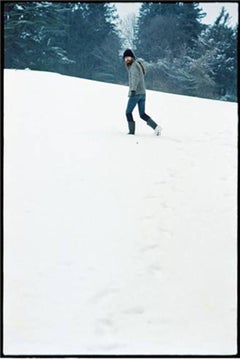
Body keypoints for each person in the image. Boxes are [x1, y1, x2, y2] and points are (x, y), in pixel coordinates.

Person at [123, 49, 162, 136]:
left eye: (129, 58)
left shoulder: (133, 66)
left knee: (128, 112)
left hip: (135, 93)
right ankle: (156, 127)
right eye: (125, 59)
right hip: (142, 93)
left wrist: (133, 90)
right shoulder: (138, 65)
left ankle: (131, 132)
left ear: (132, 58)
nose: (127, 60)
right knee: (142, 114)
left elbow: (135, 79)